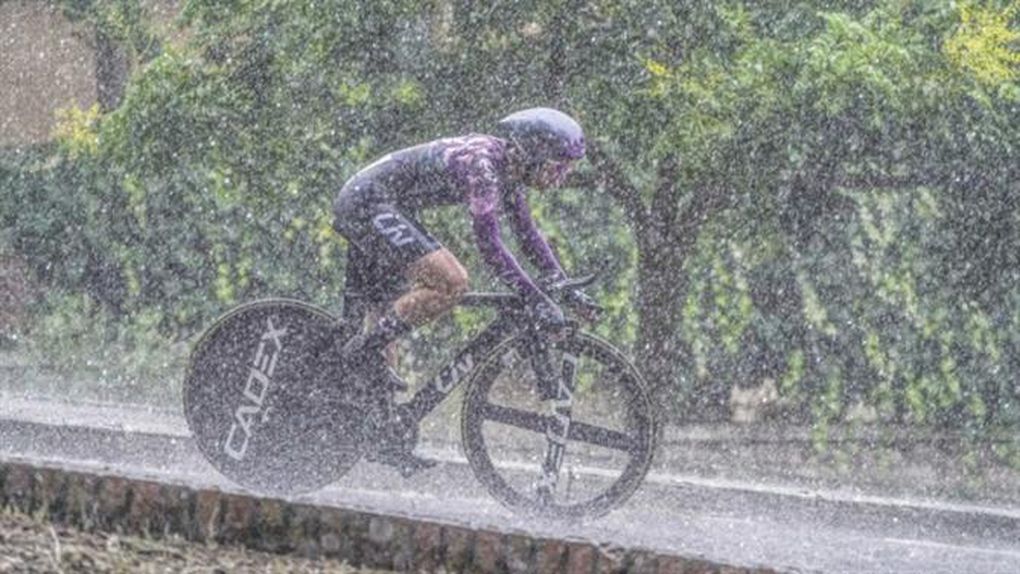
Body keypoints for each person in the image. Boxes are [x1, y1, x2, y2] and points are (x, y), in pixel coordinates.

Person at [332, 107, 600, 475]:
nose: (562, 176)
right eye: (558, 166)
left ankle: (382, 432)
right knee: (452, 282)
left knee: (388, 318)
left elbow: (527, 236)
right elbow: (490, 247)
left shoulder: (508, 171)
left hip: (380, 202)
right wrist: (534, 297)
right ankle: (357, 354)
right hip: (368, 202)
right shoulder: (483, 167)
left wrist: (562, 285)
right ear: (533, 154)